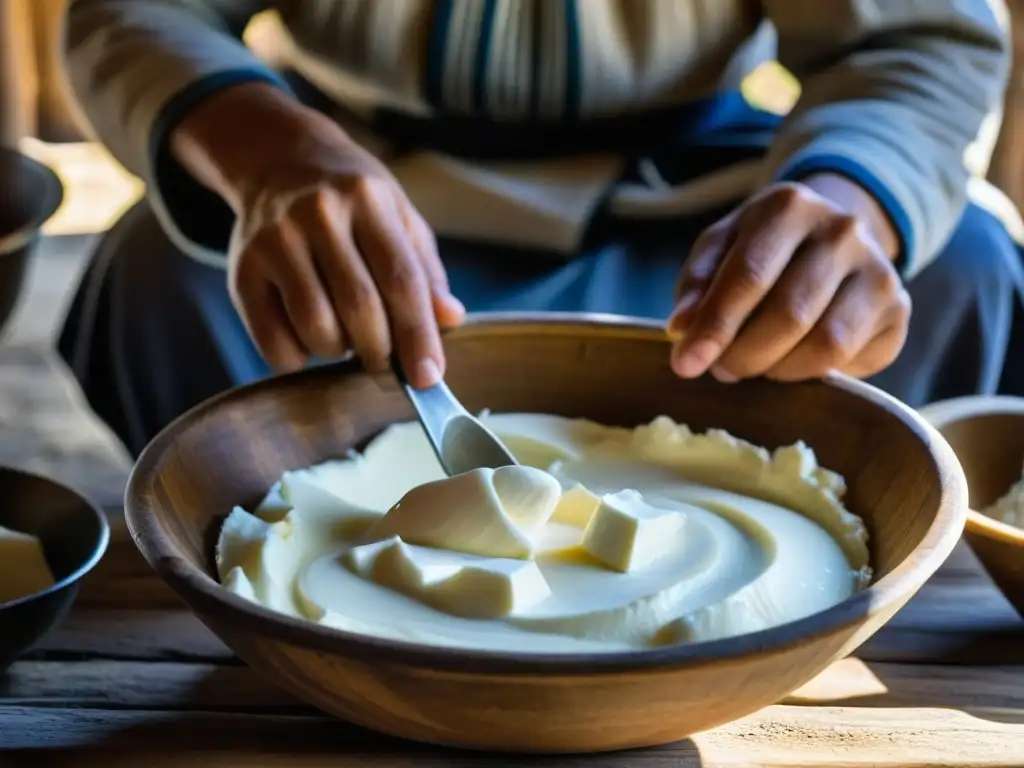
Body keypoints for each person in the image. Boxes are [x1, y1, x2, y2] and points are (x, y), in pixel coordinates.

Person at [59, 0, 1024, 457]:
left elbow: (913, 35)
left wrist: (852, 198)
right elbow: (134, 11)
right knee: (161, 268)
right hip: (351, 186)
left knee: (965, 262)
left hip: (690, 204)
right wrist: (270, 157)